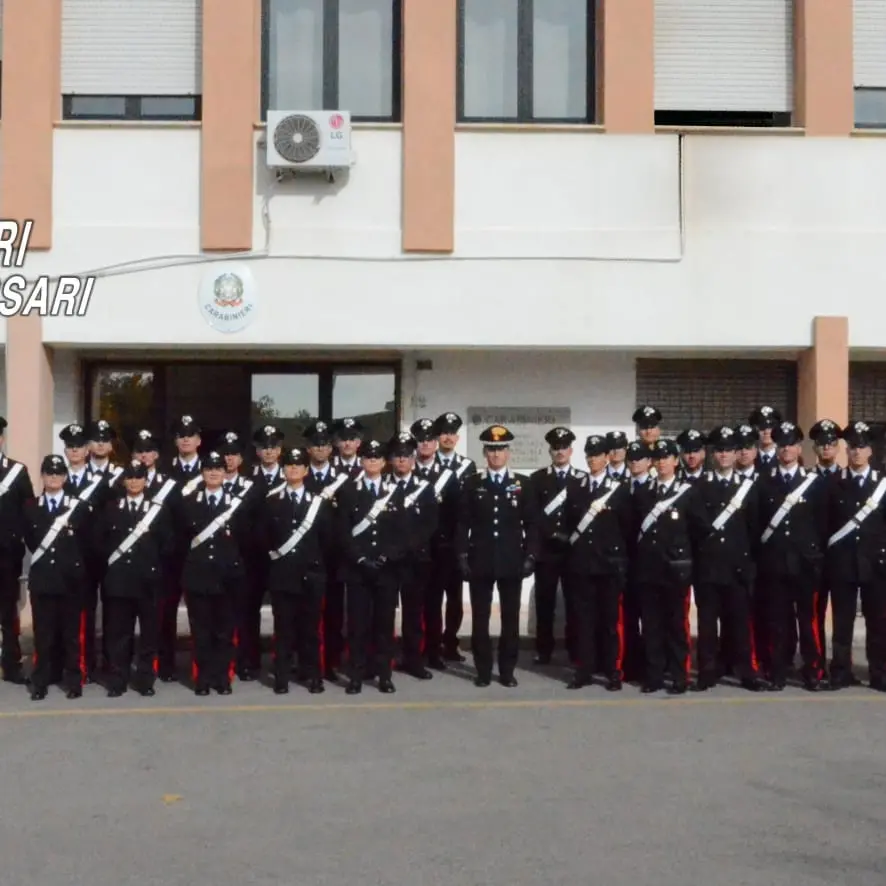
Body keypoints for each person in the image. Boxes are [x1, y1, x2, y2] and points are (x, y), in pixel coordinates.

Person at [455, 425, 538, 688]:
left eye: (501, 449)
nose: (496, 455)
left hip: (511, 561)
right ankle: (482, 670)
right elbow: (461, 524)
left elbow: (533, 524)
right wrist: (462, 556)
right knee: (480, 619)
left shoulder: (522, 484)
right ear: (484, 452)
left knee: (510, 620)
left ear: (508, 453)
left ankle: (506, 670)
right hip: (480, 561)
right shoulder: (472, 484)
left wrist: (531, 556)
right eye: (491, 450)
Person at [688, 426, 765, 692]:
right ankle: (708, 671)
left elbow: (754, 530)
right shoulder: (699, 486)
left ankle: (745, 671)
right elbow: (694, 529)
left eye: (728, 450)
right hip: (708, 568)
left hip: (738, 568)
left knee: (740, 624)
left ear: (736, 454)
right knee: (708, 624)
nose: (723, 455)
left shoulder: (748, 488)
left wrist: (750, 565)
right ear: (712, 454)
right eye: (718, 450)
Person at [756, 421, 827, 691]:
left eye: (791, 445)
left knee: (808, 622)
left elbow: (823, 524)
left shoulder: (814, 484)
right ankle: (778, 671)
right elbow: (758, 523)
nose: (786, 449)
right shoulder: (765, 483)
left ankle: (813, 671)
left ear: (799, 448)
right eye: (782, 445)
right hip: (775, 564)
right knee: (778, 621)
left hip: (805, 565)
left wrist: (814, 556)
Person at [339, 438, 411, 694]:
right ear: (362, 461)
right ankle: (357, 675)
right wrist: (359, 558)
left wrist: (387, 556)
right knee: (358, 626)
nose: (373, 461)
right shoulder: (349, 491)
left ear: (384, 462)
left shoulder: (395, 491)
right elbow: (343, 531)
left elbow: (402, 531)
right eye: (368, 457)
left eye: (377, 457)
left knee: (383, 625)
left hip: (386, 571)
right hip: (358, 570)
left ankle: (384, 675)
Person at [263, 447, 334, 695]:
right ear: (283, 470)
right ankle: (281, 677)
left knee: (310, 630)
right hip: (282, 576)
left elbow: (327, 541)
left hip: (311, 575)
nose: (293, 469)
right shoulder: (272, 501)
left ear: (306, 470)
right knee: (283, 630)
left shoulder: (319, 503)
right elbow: (264, 539)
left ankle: (313, 675)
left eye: (298, 465)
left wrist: (315, 565)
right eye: (289, 465)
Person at [564, 434, 632, 690]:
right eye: (589, 454)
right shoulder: (576, 487)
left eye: (597, 454)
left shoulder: (619, 489)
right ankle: (584, 670)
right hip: (581, 565)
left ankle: (613, 670)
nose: (593, 459)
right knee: (584, 620)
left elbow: (626, 527)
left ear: (607, 457)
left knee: (609, 622)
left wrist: (619, 560)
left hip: (608, 566)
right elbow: (570, 524)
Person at [99, 461, 172, 697]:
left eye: (138, 477)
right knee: (119, 634)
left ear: (145, 480)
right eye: (129, 477)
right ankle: (118, 680)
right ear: (123, 480)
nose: (133, 481)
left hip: (148, 581)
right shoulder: (111, 508)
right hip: (119, 581)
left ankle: (145, 680)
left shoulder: (157, 509)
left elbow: (168, 543)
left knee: (149, 635)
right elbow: (98, 543)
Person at [824, 421, 886, 690]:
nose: (856, 453)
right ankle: (840, 672)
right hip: (843, 562)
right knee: (842, 622)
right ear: (846, 451)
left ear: (871, 451)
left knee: (878, 623)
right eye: (852, 448)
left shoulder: (882, 481)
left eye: (861, 447)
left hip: (876, 563)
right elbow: (824, 523)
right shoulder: (834, 482)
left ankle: (879, 673)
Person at [23, 455, 91, 700]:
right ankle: (40, 681)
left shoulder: (78, 507)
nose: (53, 477)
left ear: (64, 477)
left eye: (58, 473)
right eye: (49, 473)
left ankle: (74, 681)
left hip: (70, 581)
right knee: (44, 635)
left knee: (71, 636)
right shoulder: (31, 506)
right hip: (43, 580)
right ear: (42, 476)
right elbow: (31, 541)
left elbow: (85, 543)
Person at [179, 451, 246, 695]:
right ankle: (203, 679)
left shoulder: (237, 504)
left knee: (225, 631)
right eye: (209, 469)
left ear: (225, 473)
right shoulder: (189, 503)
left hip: (228, 578)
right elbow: (180, 540)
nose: (214, 472)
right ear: (202, 473)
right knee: (201, 632)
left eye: (218, 468)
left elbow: (247, 540)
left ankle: (223, 678)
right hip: (198, 577)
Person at [633, 438, 696, 694]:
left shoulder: (687, 492)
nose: (662, 462)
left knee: (676, 626)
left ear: (675, 460)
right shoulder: (643, 492)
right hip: (648, 569)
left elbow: (696, 531)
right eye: (657, 458)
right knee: (651, 626)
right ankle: (654, 676)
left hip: (675, 570)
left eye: (666, 457)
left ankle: (680, 676)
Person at [529, 426, 586, 665]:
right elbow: (533, 517)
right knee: (545, 603)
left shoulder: (581, 479)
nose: (560, 451)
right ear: (550, 451)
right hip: (547, 552)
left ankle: (575, 649)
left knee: (575, 602)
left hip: (572, 550)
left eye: (564, 447)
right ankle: (544, 650)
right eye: (556, 448)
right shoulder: (538, 479)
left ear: (571, 450)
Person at [304, 419, 351, 681]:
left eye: (324, 444)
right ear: (308, 449)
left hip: (333, 558)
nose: (320, 449)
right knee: (305, 615)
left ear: (330, 449)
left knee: (333, 613)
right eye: (315, 444)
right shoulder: (299, 475)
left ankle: (331, 662)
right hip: (305, 557)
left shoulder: (341, 479)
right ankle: (305, 662)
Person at [158, 415, 204, 681]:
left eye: (190, 435)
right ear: (175, 441)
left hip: (199, 553)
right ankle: (166, 665)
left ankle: (201, 666)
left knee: (201, 614)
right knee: (166, 612)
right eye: (180, 435)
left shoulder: (210, 470)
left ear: (199, 440)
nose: (185, 439)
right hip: (170, 554)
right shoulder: (165, 472)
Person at [432, 412, 475, 661]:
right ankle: (434, 643)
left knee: (455, 597)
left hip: (457, 539)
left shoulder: (466, 466)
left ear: (457, 437)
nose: (447, 437)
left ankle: (451, 641)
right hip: (433, 539)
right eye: (443, 433)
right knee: (433, 596)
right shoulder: (426, 463)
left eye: (452, 433)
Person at [0, 417, 34, 684]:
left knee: (7, 610)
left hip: (6, 555)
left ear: (2, 439)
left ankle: (11, 664)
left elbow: (28, 512)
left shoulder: (17, 472)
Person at [749, 406, 781, 470]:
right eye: (762, 427)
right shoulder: (748, 460)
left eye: (771, 427)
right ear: (755, 430)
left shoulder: (785, 458)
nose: (766, 431)